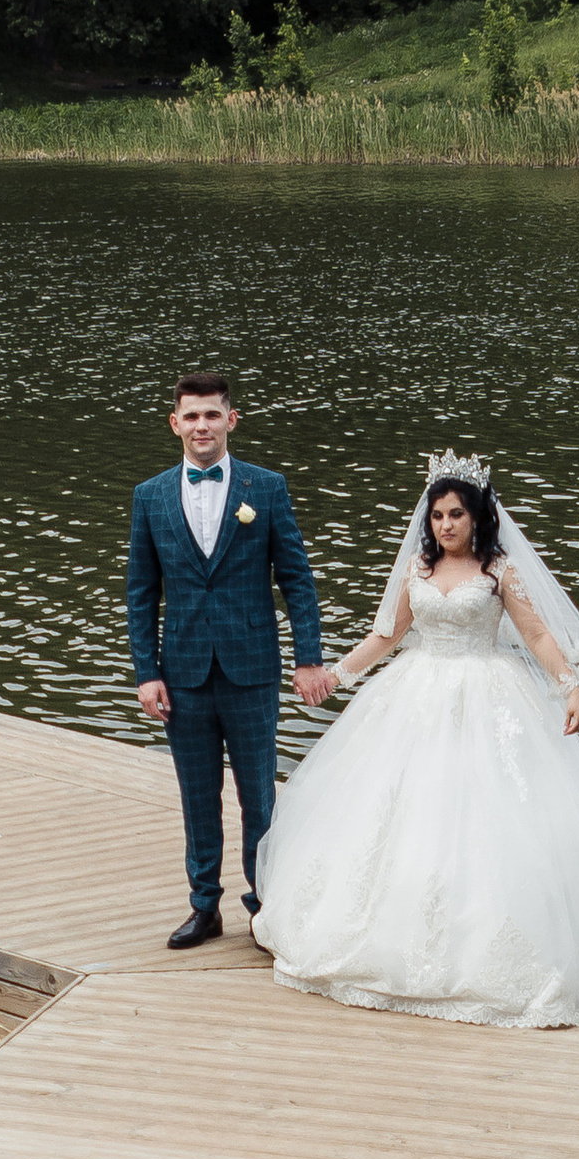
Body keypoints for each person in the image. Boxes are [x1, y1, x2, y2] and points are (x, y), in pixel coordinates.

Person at [250, 457, 579, 1027]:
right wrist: (336, 675)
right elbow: (386, 635)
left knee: (494, 814)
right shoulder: (417, 567)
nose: (444, 525)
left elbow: (535, 632)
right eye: (437, 515)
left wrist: (570, 688)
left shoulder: (497, 570)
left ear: (477, 516)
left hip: (490, 696)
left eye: (456, 514)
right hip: (416, 694)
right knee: (396, 812)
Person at [126, 370, 332, 949]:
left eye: (212, 414)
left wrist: (309, 658)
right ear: (175, 423)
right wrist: (147, 672)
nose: (201, 426)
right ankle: (203, 906)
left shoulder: (265, 489)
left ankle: (263, 907)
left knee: (258, 796)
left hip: (252, 669)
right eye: (191, 416)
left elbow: (297, 579)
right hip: (183, 672)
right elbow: (141, 592)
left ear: (230, 420)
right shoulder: (150, 496)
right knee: (197, 795)